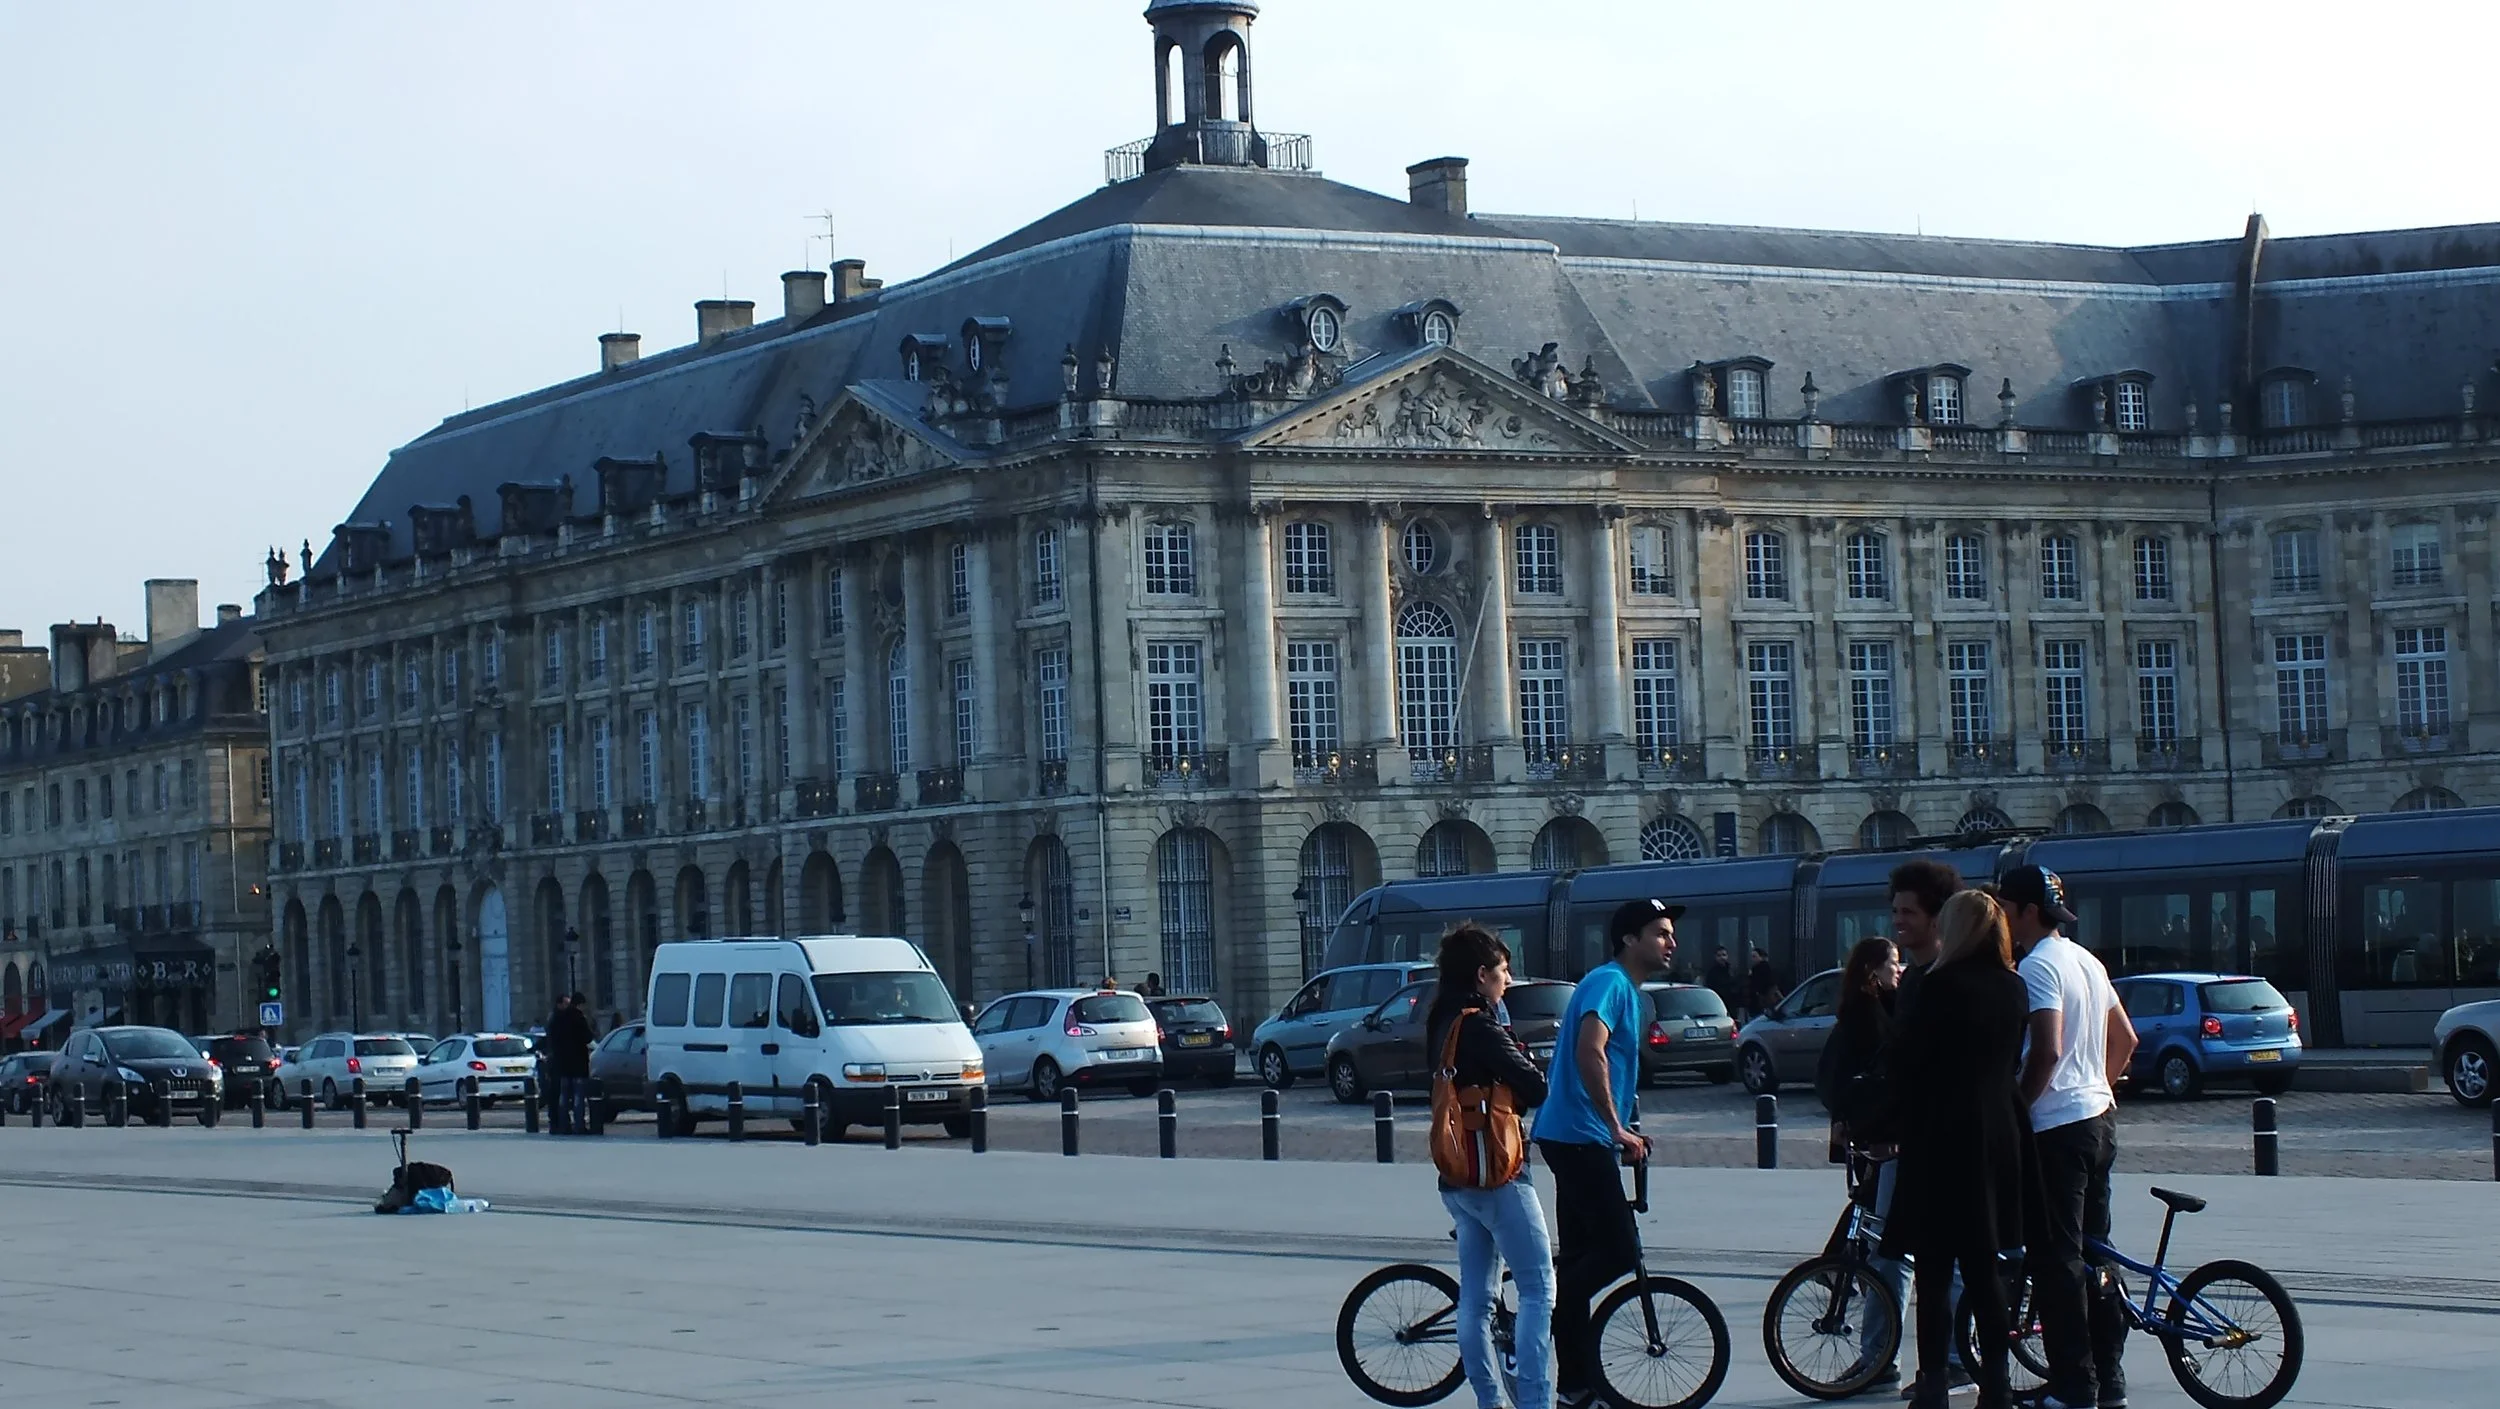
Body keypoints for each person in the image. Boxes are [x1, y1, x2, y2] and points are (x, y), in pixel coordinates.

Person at [1885, 890, 2030, 1409]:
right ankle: (1997, 1382)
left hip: (1940, 1136)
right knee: (1984, 1266)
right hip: (1997, 1134)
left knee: (1934, 1266)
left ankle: (1932, 1383)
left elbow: (1909, 1063)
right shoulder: (2014, 988)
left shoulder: (1936, 986)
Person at [1533, 897, 1676, 1408]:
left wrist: (1621, 1127)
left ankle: (1574, 1387)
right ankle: (1536, 1309)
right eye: (1660, 932)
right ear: (1629, 940)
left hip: (1576, 1133)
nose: (1670, 942)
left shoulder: (1623, 989)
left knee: (1578, 1260)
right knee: (1618, 1251)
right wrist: (1617, 1127)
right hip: (1578, 1134)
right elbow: (1589, 1050)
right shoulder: (1610, 983)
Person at [2002, 866, 2136, 1409]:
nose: (2003, 921)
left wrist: (2017, 1110)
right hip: (2099, 1120)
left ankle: (2074, 1387)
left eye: (2005, 910)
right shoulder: (2087, 959)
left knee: (2058, 1263)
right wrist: (2100, 1088)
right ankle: (2110, 1381)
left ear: (2027, 912)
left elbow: (2047, 1051)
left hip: (2056, 1128)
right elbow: (2126, 1038)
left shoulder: (2036, 967)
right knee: (2097, 1256)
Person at [1426, 923, 1555, 1409]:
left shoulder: (1440, 1020)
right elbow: (1535, 1086)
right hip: (1498, 1174)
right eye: (1503, 970)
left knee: (1476, 1301)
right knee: (1539, 1290)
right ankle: (1537, 1402)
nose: (1508, 979)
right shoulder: (1478, 1024)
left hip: (1457, 1177)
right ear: (1481, 974)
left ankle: (1489, 1401)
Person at [1816, 935, 1908, 1389]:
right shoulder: (1873, 1016)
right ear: (1874, 971)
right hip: (1889, 1143)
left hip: (1879, 1142)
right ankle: (1881, 1355)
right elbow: (1883, 1083)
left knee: (1886, 1244)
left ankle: (1879, 1354)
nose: (1901, 969)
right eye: (1894, 963)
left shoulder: (1862, 1009)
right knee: (1891, 1250)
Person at [544, 992, 596, 1135]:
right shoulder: (579, 1017)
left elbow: (552, 1038)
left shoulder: (559, 1018)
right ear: (580, 1004)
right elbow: (587, 1037)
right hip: (578, 1062)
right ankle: (579, 1125)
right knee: (578, 1096)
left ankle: (563, 1125)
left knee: (564, 1096)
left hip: (563, 1063)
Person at [1745, 946, 1786, 1018]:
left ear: (1761, 957)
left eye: (1754, 956)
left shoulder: (1758, 970)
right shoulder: (1765, 969)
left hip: (1761, 1001)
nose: (1752, 959)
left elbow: (1758, 985)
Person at [1703, 946, 1740, 1018]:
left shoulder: (1732, 970)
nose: (1722, 958)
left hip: (1732, 1004)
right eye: (1719, 955)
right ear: (1715, 957)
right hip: (1718, 1004)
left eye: (1724, 955)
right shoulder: (1712, 972)